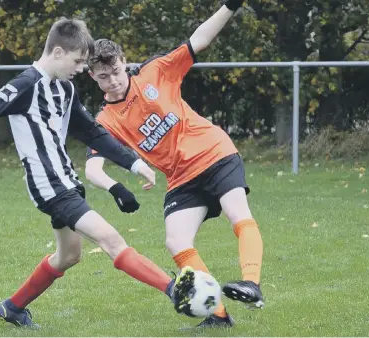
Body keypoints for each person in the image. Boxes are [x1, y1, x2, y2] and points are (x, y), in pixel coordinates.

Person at [0, 17, 194, 328]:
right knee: (112, 240)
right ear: (58, 52)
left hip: (68, 181)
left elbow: (93, 133)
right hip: (50, 187)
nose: (82, 68)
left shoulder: (66, 90)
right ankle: (175, 289)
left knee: (69, 255)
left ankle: (12, 308)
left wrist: (135, 164)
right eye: (78, 61)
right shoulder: (24, 86)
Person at [84, 0, 264, 328]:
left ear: (124, 62)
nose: (112, 81)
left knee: (238, 213)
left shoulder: (156, 72)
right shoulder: (105, 120)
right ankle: (217, 316)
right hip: (181, 178)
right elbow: (92, 169)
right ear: (92, 76)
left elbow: (199, 39)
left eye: (116, 72)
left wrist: (230, 6)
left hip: (214, 153)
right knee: (176, 241)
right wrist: (115, 187)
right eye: (103, 77)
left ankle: (251, 283)